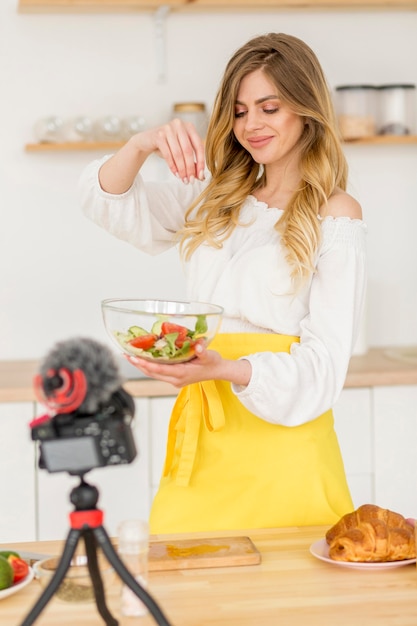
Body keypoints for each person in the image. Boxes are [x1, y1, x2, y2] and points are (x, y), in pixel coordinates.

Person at [79, 32, 367, 534]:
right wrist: (141, 144)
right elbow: (110, 205)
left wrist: (227, 368)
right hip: (206, 433)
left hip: (286, 449)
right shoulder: (216, 195)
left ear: (306, 109)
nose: (250, 124)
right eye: (238, 111)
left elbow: (324, 369)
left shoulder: (335, 215)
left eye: (269, 107)